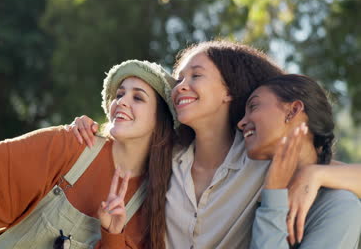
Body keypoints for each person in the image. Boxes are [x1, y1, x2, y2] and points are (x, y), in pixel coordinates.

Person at [69, 40, 361, 248]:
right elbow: (119, 139)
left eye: (196, 76)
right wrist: (85, 128)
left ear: (229, 92)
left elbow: (337, 173)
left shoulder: (260, 159)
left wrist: (315, 174)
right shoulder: (165, 157)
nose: (181, 86)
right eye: (179, 78)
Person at [0, 59, 177, 248]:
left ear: (162, 120)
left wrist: (113, 235)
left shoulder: (155, 201)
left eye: (138, 97)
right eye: (120, 94)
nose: (122, 102)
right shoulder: (73, 143)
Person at [237, 74, 361, 249]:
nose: (241, 123)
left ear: (293, 110)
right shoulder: (248, 184)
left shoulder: (340, 206)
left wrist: (274, 195)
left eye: (254, 106)